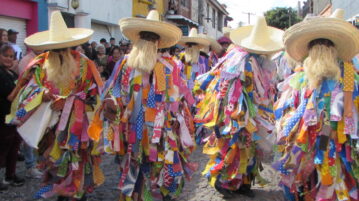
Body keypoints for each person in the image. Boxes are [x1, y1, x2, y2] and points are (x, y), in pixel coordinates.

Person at [88, 10, 197, 201]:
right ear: (138, 40)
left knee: (155, 167)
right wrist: (110, 105)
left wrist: (176, 120)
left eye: (152, 38)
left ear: (158, 43)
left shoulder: (167, 67)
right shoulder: (125, 64)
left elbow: (175, 100)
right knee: (133, 166)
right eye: (145, 37)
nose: (148, 42)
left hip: (159, 131)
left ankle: (150, 195)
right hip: (131, 129)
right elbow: (113, 92)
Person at [6, 11, 104, 200]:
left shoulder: (85, 65)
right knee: (55, 169)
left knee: (77, 168)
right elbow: (25, 91)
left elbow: (95, 95)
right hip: (49, 131)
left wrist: (70, 103)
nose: (59, 54)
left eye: (63, 49)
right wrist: (41, 95)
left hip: (77, 130)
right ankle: (60, 194)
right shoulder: (39, 64)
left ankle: (77, 193)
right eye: (55, 50)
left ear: (71, 48)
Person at [274, 9, 359, 201]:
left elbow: (349, 108)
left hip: (336, 138)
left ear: (332, 50)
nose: (318, 52)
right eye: (315, 47)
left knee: (332, 174)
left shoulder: (347, 73)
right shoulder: (304, 76)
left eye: (323, 47)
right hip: (307, 138)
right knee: (310, 173)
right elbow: (295, 105)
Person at [194, 16, 283, 198]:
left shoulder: (260, 61)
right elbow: (225, 88)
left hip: (254, 114)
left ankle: (244, 182)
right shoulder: (239, 59)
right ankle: (224, 182)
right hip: (236, 114)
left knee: (250, 149)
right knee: (233, 148)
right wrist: (235, 113)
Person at [0, 44, 26, 190]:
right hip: (3, 117)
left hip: (15, 117)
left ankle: (11, 174)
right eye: (6, 56)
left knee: (14, 147)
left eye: (11, 56)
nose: (9, 59)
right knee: (3, 148)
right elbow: (10, 97)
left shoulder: (13, 74)